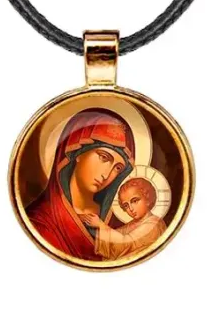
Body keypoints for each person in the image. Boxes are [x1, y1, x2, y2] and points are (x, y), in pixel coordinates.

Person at [26, 108, 135, 261]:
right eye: (104, 157)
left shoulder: (116, 223)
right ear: (78, 153)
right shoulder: (39, 221)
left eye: (117, 168)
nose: (106, 175)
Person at [80, 178, 167, 260]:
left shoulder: (154, 224)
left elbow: (126, 243)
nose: (131, 209)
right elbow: (117, 234)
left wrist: (100, 224)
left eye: (135, 201)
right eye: (126, 205)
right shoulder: (134, 223)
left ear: (147, 198)